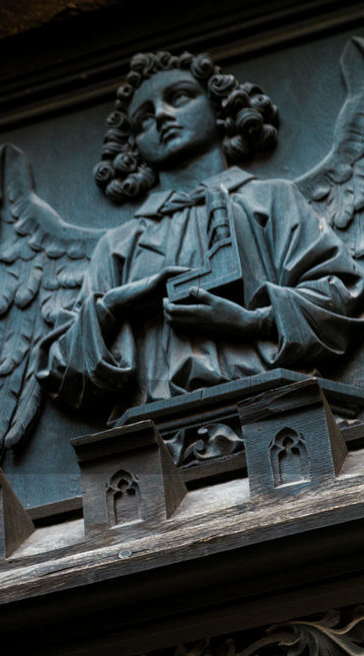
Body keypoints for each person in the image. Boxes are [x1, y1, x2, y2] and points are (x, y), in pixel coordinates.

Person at [40, 51, 364, 413]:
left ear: (221, 108)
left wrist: (253, 322)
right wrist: (115, 305)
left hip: (277, 410)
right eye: (143, 118)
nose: (162, 115)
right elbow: (63, 374)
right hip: (151, 438)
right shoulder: (118, 246)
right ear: (132, 146)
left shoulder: (271, 200)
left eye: (179, 97)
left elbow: (341, 300)